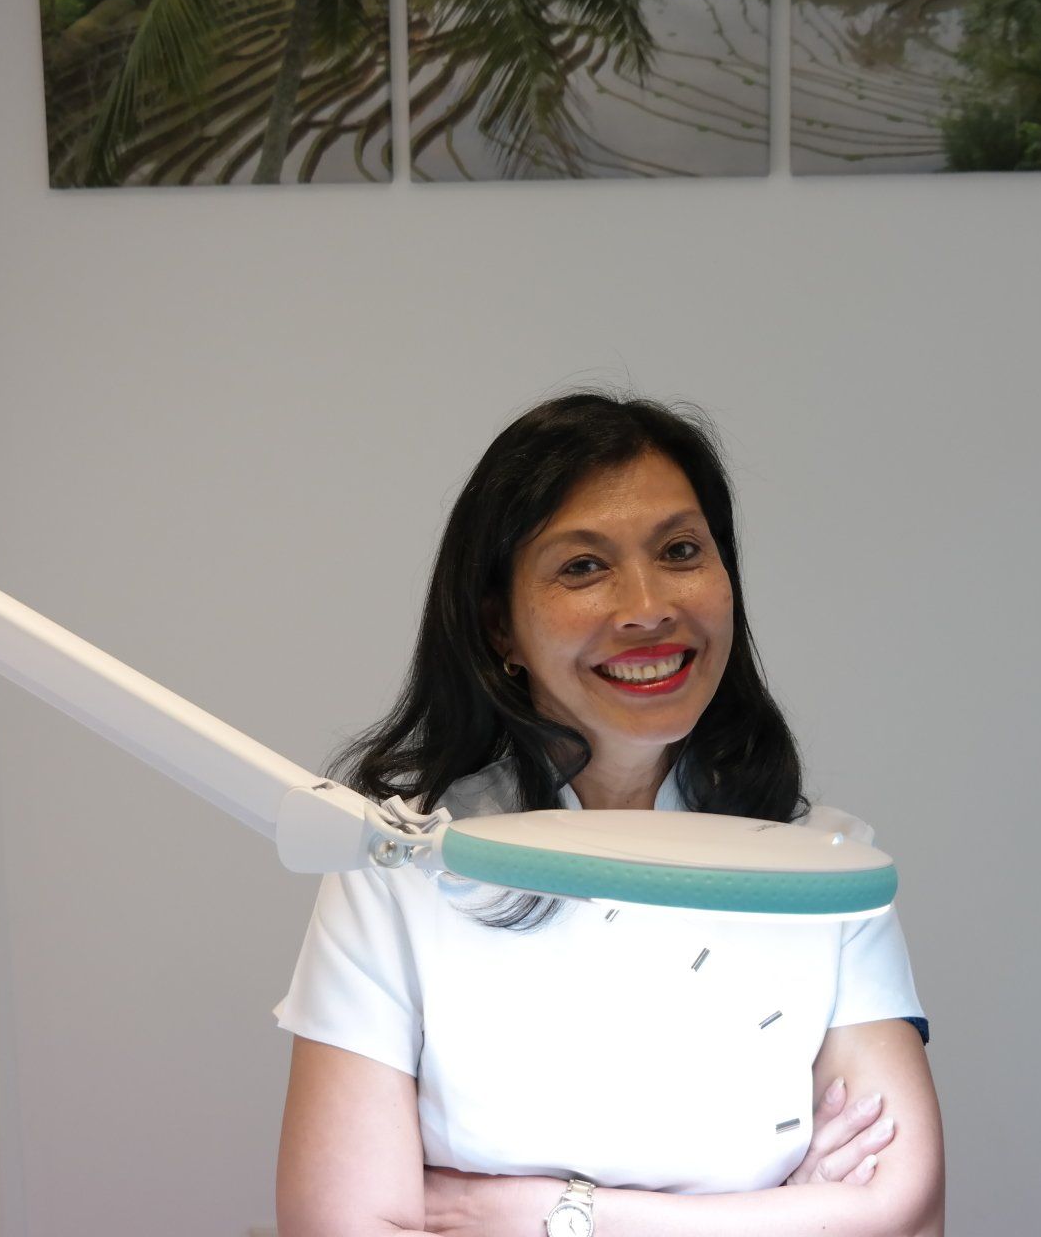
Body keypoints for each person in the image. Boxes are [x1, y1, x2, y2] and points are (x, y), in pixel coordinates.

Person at [274, 391, 944, 1236]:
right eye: (584, 567)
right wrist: (789, 1216)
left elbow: (905, 1216)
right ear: (499, 628)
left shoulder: (830, 870)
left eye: (680, 551)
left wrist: (544, 1212)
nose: (647, 608)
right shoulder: (397, 865)